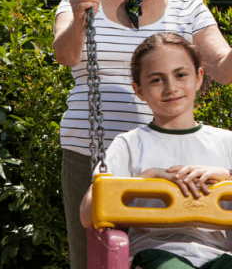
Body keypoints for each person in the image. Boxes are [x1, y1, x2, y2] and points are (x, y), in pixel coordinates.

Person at [53, 0, 232, 269]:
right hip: (89, 150)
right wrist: (81, 17)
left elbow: (221, 66)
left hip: (165, 154)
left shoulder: (187, 4)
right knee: (94, 257)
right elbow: (65, 55)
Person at [80, 33, 232, 269]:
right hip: (156, 254)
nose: (171, 88)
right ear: (139, 90)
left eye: (180, 75)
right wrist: (149, 177)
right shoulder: (130, 145)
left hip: (219, 255)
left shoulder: (226, 142)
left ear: (198, 77)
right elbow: (87, 214)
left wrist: (227, 177)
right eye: (156, 80)